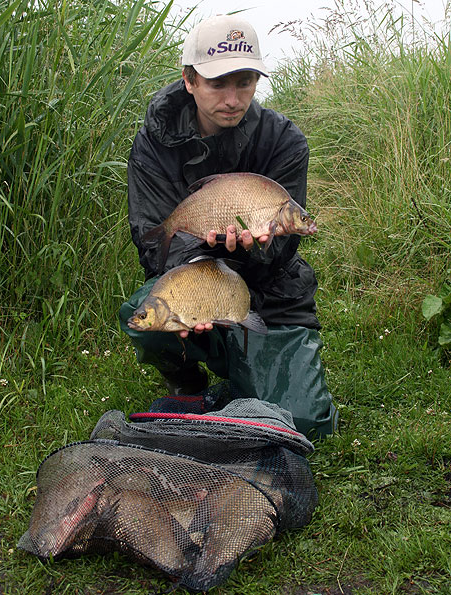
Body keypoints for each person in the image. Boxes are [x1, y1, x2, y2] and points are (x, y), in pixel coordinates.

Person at [119, 14, 338, 438]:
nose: (233, 98)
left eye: (244, 82)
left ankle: (246, 376)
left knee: (306, 424)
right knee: (142, 312)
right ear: (190, 80)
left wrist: (253, 249)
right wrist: (206, 279)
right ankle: (188, 380)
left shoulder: (284, 140)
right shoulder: (154, 142)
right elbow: (154, 244)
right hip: (196, 278)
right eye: (218, 83)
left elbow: (283, 251)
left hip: (271, 292)